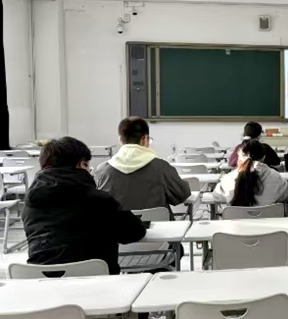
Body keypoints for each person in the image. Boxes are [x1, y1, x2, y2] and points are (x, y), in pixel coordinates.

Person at [22, 137, 146, 275]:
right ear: (82, 165)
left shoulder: (30, 202)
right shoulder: (99, 199)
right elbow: (135, 232)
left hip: (42, 281)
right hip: (97, 281)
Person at [95, 117, 191, 215]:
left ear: (120, 140)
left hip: (118, 225)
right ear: (144, 139)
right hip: (157, 224)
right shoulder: (161, 167)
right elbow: (182, 194)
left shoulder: (103, 171)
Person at [214, 139, 288, 207]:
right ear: (263, 158)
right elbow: (285, 195)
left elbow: (217, 196)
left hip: (237, 218)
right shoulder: (276, 177)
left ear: (239, 158)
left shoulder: (228, 179)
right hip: (268, 218)